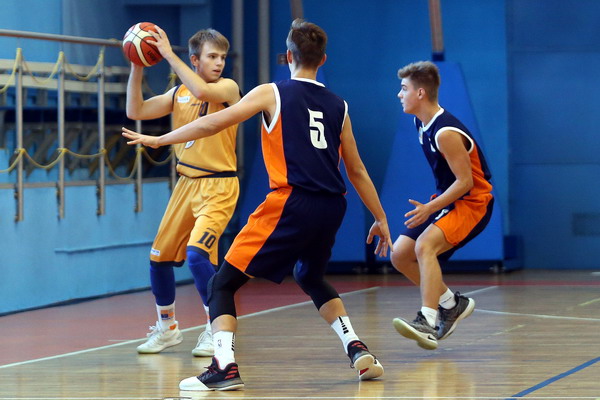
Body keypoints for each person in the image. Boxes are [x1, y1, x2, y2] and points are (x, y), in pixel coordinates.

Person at [123, 19, 392, 391]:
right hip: (332, 205)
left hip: (291, 201)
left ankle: (224, 367)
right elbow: (357, 169)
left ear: (287, 57)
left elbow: (212, 124)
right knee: (310, 277)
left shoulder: (272, 92)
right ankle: (356, 347)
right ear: (323, 59)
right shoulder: (339, 105)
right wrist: (380, 217)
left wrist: (160, 140)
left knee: (221, 284)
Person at [126, 27, 241, 357]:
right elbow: (136, 111)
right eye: (212, 56)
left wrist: (167, 54)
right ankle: (167, 328)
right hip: (185, 185)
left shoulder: (228, 88)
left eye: (222, 57)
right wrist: (137, 65)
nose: (219, 63)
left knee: (196, 255)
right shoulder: (178, 94)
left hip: (219, 185)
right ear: (195, 60)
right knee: (158, 259)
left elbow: (202, 90)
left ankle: (214, 329)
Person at [390, 61, 494, 350]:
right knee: (399, 255)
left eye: (404, 89)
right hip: (449, 200)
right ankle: (450, 303)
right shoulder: (420, 123)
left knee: (425, 246)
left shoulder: (445, 132)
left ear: (420, 93)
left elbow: (465, 182)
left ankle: (427, 319)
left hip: (473, 203)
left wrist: (429, 209)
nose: (399, 94)